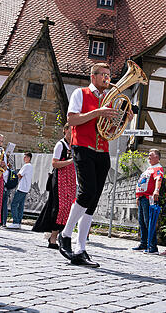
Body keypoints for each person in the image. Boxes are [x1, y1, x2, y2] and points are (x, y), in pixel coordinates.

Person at [58, 62, 128, 269]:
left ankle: (80, 249)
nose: (108, 79)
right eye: (104, 75)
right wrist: (98, 112)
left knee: (94, 199)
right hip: (83, 147)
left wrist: (122, 119)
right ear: (93, 76)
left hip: (102, 151)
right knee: (86, 192)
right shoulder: (81, 93)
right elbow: (72, 120)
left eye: (109, 75)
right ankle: (65, 234)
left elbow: (111, 128)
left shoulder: (109, 99)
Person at [33, 124, 76, 248]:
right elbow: (55, 163)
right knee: (59, 208)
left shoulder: (73, 145)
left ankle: (61, 236)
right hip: (60, 179)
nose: (73, 132)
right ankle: (53, 238)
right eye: (71, 129)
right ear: (65, 130)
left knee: (68, 208)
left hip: (71, 179)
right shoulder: (60, 144)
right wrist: (70, 161)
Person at [133, 148, 164, 253]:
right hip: (142, 198)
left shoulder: (158, 168)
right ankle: (143, 243)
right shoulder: (149, 168)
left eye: (151, 155)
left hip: (148, 198)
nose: (149, 156)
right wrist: (138, 196)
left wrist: (156, 190)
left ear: (157, 157)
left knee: (148, 222)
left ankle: (153, 246)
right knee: (142, 222)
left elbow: (158, 179)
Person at [7, 152, 34, 229]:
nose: (24, 158)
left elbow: (19, 175)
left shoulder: (26, 166)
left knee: (14, 204)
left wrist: (11, 174)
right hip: (25, 188)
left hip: (22, 188)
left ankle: (15, 221)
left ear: (29, 158)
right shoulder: (30, 166)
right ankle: (18, 222)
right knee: (20, 206)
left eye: (25, 157)